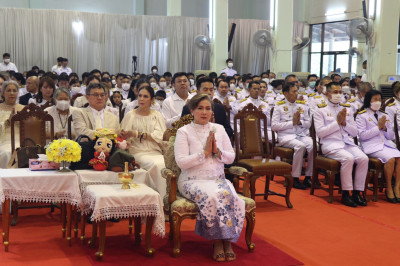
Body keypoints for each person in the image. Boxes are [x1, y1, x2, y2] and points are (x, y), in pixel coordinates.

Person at [174, 94, 244, 262]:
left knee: (231, 196)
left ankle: (227, 241)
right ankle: (217, 242)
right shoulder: (183, 131)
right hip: (192, 181)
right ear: (192, 110)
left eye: (208, 108)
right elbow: (181, 162)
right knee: (213, 196)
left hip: (217, 180)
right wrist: (204, 153)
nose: (204, 112)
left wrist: (217, 153)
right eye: (200, 108)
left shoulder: (219, 129)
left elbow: (231, 157)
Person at [314, 82, 368, 207]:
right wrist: (337, 122)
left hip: (346, 143)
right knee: (348, 158)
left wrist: (344, 124)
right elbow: (320, 133)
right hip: (330, 144)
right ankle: (345, 193)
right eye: (335, 92)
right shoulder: (320, 110)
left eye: (340, 92)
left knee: (363, 158)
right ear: (327, 94)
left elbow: (354, 133)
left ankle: (357, 193)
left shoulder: (347, 109)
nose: (338, 95)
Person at [119, 86, 167, 198]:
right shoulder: (131, 114)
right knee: (155, 164)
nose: (141, 99)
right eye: (140, 96)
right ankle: (156, 198)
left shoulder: (157, 116)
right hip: (137, 152)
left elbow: (160, 136)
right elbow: (124, 136)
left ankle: (163, 199)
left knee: (163, 163)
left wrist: (137, 134)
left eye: (145, 96)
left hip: (155, 152)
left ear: (152, 100)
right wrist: (127, 138)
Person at [356, 90, 400, 203]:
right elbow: (362, 136)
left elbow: (390, 136)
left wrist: (385, 128)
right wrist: (378, 127)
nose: (378, 102)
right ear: (368, 100)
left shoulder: (384, 115)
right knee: (390, 160)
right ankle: (389, 188)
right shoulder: (362, 116)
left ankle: (397, 187)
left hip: (385, 145)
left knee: (399, 158)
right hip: (371, 146)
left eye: (380, 99)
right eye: (375, 99)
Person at [271, 82, 313, 189]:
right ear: (286, 93)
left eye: (297, 91)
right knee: (300, 146)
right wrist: (292, 123)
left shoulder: (302, 105)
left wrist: (299, 123)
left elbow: (308, 124)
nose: (297, 93)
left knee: (313, 145)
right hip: (286, 136)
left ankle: (308, 176)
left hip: (301, 134)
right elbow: (274, 126)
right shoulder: (279, 106)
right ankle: (295, 178)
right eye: (294, 91)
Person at [0, 81, 25, 168]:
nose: (12, 93)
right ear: (3, 93)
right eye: (8, 90)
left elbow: (31, 128)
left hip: (21, 140)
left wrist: (20, 122)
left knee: (21, 150)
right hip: (3, 141)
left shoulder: (24, 109)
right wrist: (8, 122)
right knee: (7, 153)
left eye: (14, 90)